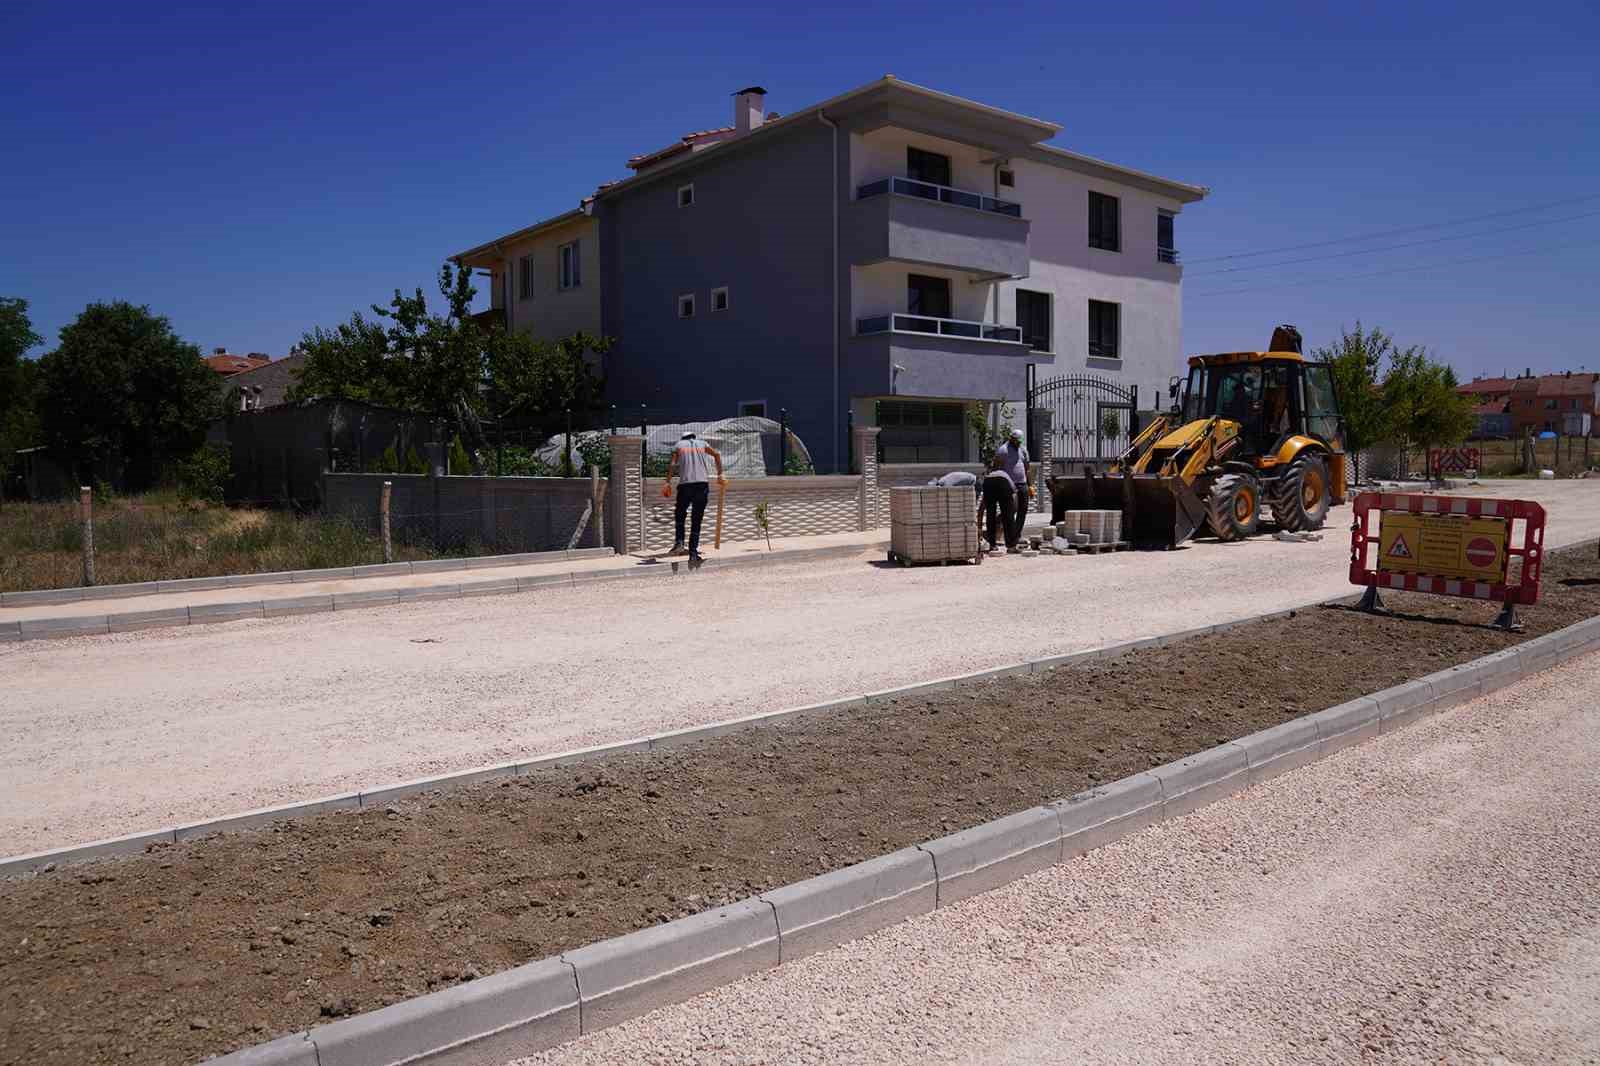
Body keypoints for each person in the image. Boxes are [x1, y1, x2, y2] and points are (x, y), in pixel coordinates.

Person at [662, 432, 725, 561]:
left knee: (680, 514)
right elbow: (717, 454)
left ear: (683, 438)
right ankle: (693, 553)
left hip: (686, 485)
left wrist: (667, 482)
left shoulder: (679, 445)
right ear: (693, 437)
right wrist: (720, 474)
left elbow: (673, 464)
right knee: (696, 519)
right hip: (702, 485)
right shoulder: (702, 443)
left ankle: (679, 541)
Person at [993, 429, 1031, 550]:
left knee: (1023, 510)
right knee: (1009, 512)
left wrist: (1030, 485)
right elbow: (997, 468)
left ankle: (1016, 535)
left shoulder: (1023, 450)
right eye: (1016, 441)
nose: (1018, 443)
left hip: (1022, 484)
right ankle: (1010, 539)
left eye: (1020, 441)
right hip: (1008, 485)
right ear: (1011, 439)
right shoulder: (1003, 450)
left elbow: (1027, 468)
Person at [979, 455, 1015, 553]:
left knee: (990, 514)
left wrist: (979, 526)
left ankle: (992, 545)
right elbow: (1012, 489)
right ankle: (1011, 545)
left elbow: (982, 507)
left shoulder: (989, 474)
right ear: (1003, 465)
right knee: (1008, 515)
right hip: (1003, 483)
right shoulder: (1004, 473)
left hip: (988, 483)